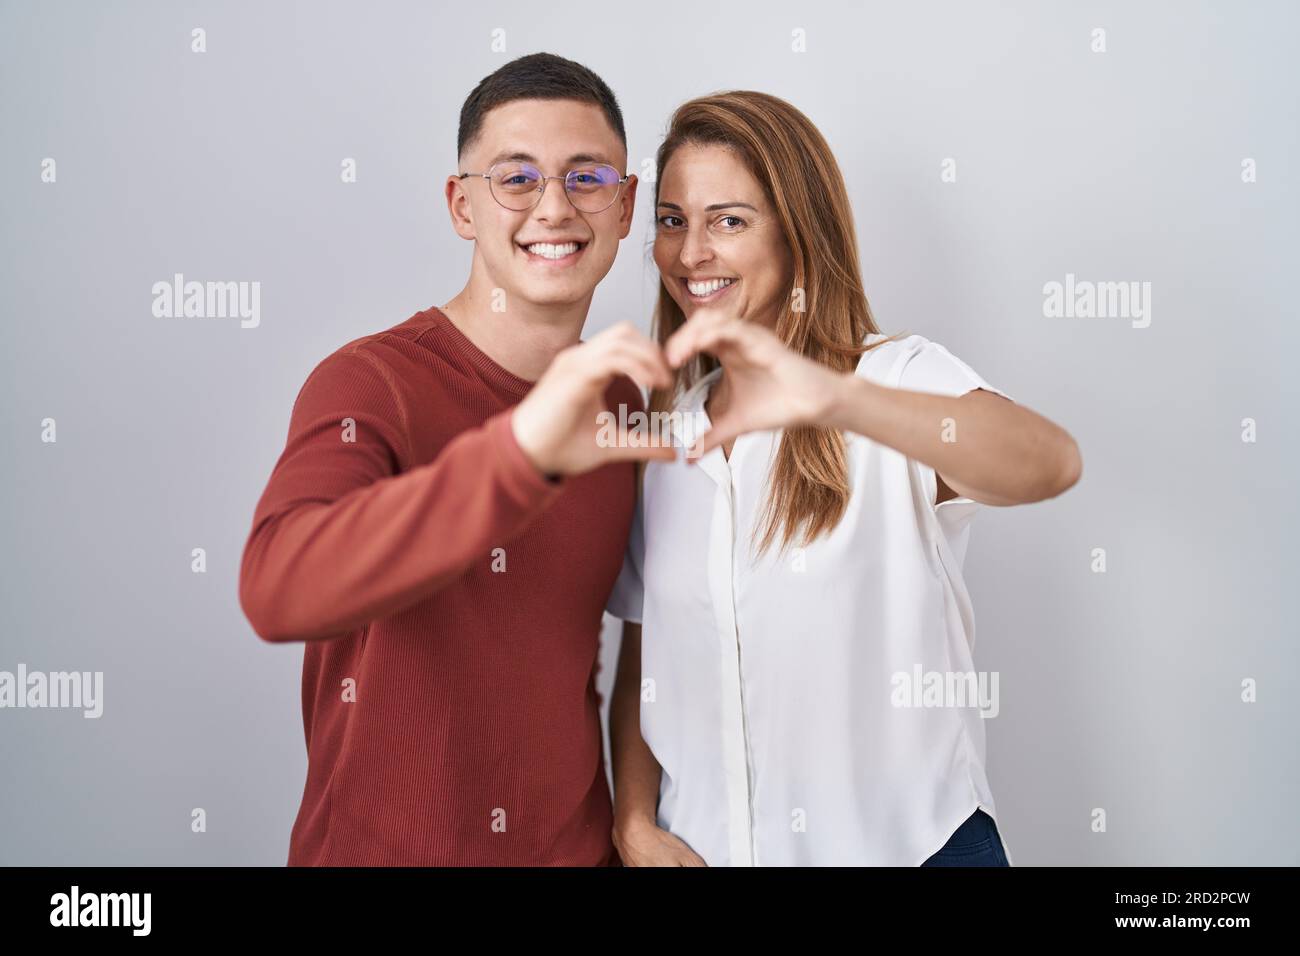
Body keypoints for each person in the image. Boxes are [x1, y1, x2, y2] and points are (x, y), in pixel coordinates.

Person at [607, 91, 1082, 866]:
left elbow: (1049, 462)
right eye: (673, 220)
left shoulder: (895, 380)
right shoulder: (667, 436)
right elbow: (645, 652)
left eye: (729, 219)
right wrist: (633, 821)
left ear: (798, 232)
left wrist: (836, 395)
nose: (692, 252)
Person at [238, 52, 674, 866]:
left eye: (587, 177)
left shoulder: (621, 401)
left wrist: (632, 818)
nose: (554, 206)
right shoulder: (370, 383)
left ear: (625, 208)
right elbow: (276, 588)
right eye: (516, 177)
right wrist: (522, 454)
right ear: (461, 205)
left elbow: (641, 618)